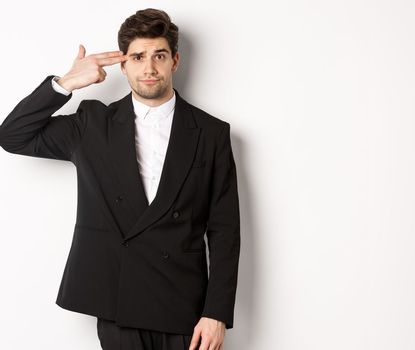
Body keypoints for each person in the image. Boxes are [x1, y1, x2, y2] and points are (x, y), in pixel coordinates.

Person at [0, 8, 240, 350]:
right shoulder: (91, 125)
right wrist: (65, 83)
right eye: (138, 57)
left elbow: (225, 230)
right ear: (123, 65)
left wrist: (217, 313)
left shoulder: (211, 132)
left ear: (175, 61)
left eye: (158, 55)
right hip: (118, 303)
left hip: (186, 307)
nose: (149, 67)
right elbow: (12, 136)